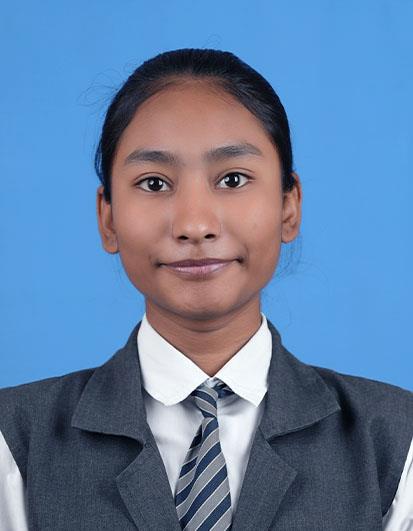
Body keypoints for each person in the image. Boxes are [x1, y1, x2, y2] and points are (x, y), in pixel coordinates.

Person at [0, 48, 412, 530]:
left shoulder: (395, 444)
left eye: (233, 179)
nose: (195, 225)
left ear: (289, 207)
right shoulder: (15, 443)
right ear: (107, 217)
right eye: (154, 183)